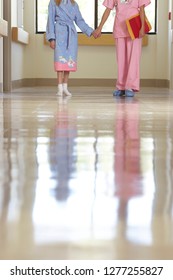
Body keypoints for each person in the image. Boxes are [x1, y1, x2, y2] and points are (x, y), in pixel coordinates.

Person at [95, 0, 151, 97]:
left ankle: (130, 86)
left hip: (134, 29)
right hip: (119, 29)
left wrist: (142, 27)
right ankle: (121, 86)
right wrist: (100, 27)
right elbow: (108, 10)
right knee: (121, 60)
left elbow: (142, 9)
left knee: (133, 59)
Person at [46, 0, 97, 96]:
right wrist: (52, 38)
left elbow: (80, 21)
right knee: (60, 60)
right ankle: (59, 87)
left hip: (71, 35)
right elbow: (50, 21)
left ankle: (65, 86)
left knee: (69, 61)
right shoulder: (53, 2)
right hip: (59, 33)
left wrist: (91, 31)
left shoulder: (74, 4)